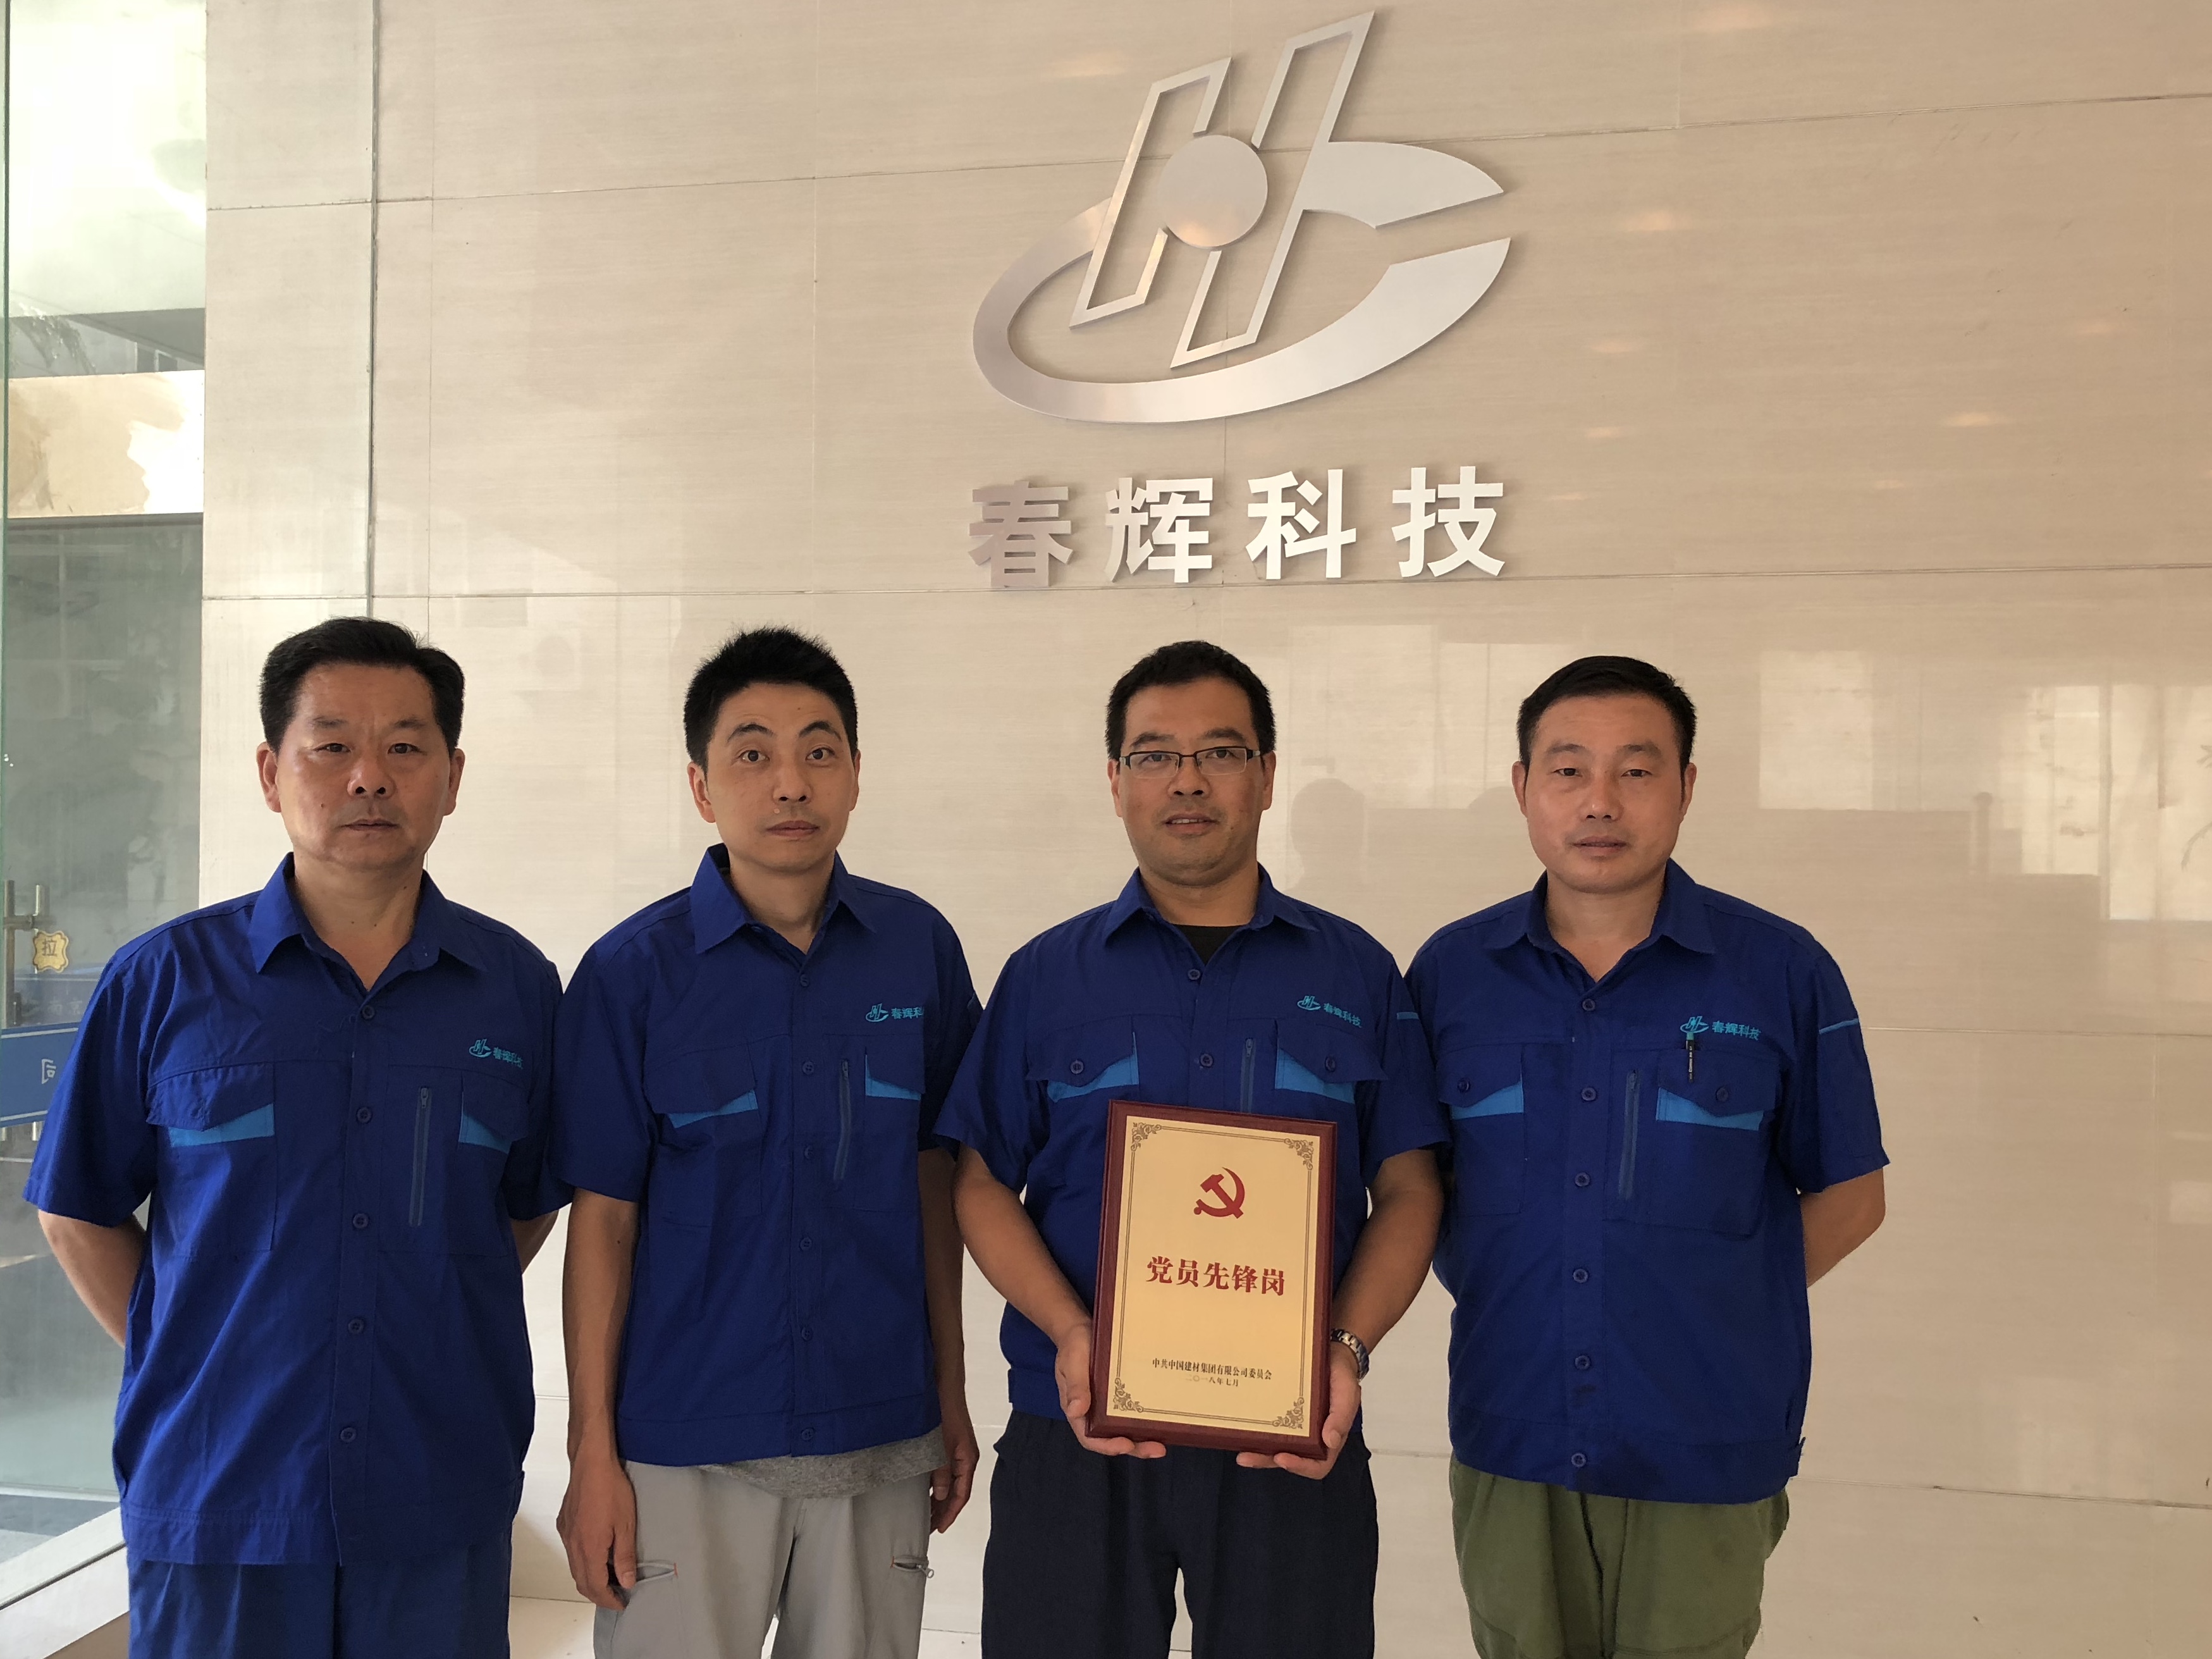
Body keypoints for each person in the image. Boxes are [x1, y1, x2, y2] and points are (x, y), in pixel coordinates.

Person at [25, 617, 565, 1659]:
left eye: (405, 747)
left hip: (437, 1481)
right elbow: (76, 1209)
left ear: (452, 778)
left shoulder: (516, 989)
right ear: (272, 774)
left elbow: (528, 1202)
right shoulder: (164, 981)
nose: (369, 777)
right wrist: (194, 1351)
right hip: (221, 1491)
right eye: (332, 746)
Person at [940, 639, 1446, 1659]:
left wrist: (1344, 1350)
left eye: (1219, 752)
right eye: (1153, 755)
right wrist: (1070, 1332)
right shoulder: (1045, 977)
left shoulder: (1356, 974)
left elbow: (1409, 1186)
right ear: (1114, 781)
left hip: (1290, 1431)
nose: (1186, 781)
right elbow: (981, 1179)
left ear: (1266, 773)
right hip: (1077, 1420)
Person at [1408, 655, 1889, 1659]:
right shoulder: (1451, 974)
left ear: (1685, 786)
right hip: (1514, 1421)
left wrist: (1713, 1291)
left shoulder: (1781, 970)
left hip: (1704, 1432)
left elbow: (1851, 1196)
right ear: (1522, 787)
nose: (1599, 801)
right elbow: (1416, 1188)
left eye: (1634, 770)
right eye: (1567, 770)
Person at [555, 627, 981, 1659]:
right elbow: (603, 1223)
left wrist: (950, 1396)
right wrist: (591, 1454)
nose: (790, 782)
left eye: (818, 750)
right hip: (683, 1444)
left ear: (856, 773)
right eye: (752, 753)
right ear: (701, 787)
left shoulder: (917, 949)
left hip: (879, 1431)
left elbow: (936, 1187)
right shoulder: (631, 974)